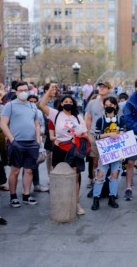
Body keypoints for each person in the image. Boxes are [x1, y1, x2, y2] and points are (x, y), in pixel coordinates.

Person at [39, 87, 88, 215]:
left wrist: (77, 138)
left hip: (74, 149)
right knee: (60, 175)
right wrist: (49, 90)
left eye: (71, 102)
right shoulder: (56, 114)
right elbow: (41, 105)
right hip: (60, 149)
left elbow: (85, 133)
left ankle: (76, 203)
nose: (68, 104)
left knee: (75, 176)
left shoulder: (78, 117)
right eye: (66, 102)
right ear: (61, 104)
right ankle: (61, 201)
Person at [0, 81, 41, 208]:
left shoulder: (33, 106)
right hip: (16, 143)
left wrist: (38, 141)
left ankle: (26, 195)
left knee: (29, 170)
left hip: (31, 143)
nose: (23, 92)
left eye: (25, 90)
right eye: (20, 90)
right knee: (15, 170)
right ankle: (13, 196)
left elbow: (37, 124)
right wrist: (12, 140)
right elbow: (3, 124)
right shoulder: (10, 105)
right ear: (16, 91)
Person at [91, 96, 125, 210]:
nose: (108, 107)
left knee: (115, 175)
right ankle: (96, 198)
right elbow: (96, 136)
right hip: (104, 153)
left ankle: (112, 197)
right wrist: (108, 135)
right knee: (100, 174)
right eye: (106, 106)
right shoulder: (100, 121)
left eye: (110, 105)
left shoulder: (120, 120)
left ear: (115, 106)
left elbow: (124, 137)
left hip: (117, 153)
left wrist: (122, 153)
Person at [84, 81, 111, 196]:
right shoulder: (92, 103)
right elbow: (88, 118)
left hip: (109, 136)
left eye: (104, 87)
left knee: (108, 162)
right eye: (100, 86)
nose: (101, 88)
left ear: (109, 89)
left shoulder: (112, 102)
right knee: (94, 161)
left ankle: (107, 187)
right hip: (94, 136)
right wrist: (88, 133)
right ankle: (95, 186)